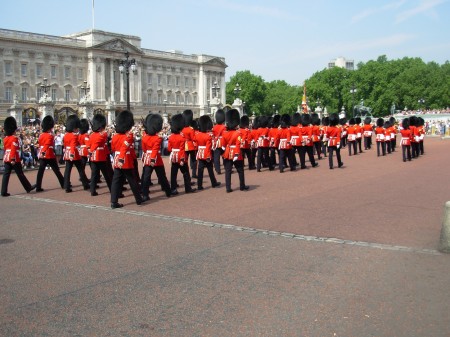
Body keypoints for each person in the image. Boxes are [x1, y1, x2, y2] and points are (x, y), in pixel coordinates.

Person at [110, 110, 144, 209]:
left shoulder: (115, 136)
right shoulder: (128, 136)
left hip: (117, 160)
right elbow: (124, 148)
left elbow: (113, 148)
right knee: (132, 181)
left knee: (116, 181)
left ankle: (113, 202)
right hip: (125, 160)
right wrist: (121, 159)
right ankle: (138, 199)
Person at [1, 116, 36, 196]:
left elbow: (5, 149)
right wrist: (13, 158)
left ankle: (3, 191)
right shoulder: (14, 138)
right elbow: (13, 149)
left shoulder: (5, 138)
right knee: (20, 174)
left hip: (7, 157)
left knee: (6, 175)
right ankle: (28, 187)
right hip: (14, 158)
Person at [141, 113, 172, 201]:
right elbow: (155, 150)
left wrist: (149, 157)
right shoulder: (157, 138)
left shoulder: (144, 138)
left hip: (147, 158)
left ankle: (145, 194)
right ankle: (168, 191)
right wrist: (152, 159)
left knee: (146, 177)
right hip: (155, 159)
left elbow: (144, 149)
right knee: (162, 177)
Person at [168, 113, 196, 195]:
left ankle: (173, 189)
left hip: (174, 157)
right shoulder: (181, 137)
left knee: (173, 174)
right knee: (186, 173)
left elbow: (169, 148)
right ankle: (188, 188)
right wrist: (182, 159)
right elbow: (182, 150)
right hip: (180, 157)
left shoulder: (171, 137)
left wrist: (173, 152)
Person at [222, 109, 249, 193]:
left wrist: (225, 149)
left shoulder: (224, 133)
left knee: (228, 171)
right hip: (235, 152)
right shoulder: (238, 133)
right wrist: (237, 154)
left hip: (227, 152)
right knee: (240, 170)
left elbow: (223, 144)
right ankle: (242, 186)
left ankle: (228, 188)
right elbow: (238, 144)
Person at [35, 115, 65, 192]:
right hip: (48, 154)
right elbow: (47, 144)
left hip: (42, 154)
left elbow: (41, 144)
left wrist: (42, 152)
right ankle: (63, 183)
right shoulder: (50, 136)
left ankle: (38, 186)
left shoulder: (41, 135)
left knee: (40, 171)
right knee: (56, 170)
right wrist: (44, 151)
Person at [62, 115, 90, 193]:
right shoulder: (74, 136)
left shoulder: (66, 135)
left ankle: (66, 186)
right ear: (74, 127)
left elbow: (65, 145)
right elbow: (73, 145)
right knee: (81, 170)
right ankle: (85, 184)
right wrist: (71, 154)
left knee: (67, 170)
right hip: (73, 154)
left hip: (67, 154)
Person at [89, 114, 113, 196]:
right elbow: (100, 142)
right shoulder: (103, 134)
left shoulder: (92, 135)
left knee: (94, 175)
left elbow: (90, 145)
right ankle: (112, 190)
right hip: (100, 157)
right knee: (107, 175)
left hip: (93, 157)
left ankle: (92, 191)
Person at [195, 115, 221, 190]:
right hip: (206, 155)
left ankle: (199, 185)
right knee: (210, 169)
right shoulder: (208, 136)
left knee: (200, 170)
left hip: (200, 153)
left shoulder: (197, 135)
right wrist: (207, 157)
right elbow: (208, 147)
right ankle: (213, 183)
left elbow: (196, 145)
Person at [182, 109, 198, 179]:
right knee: (194, 161)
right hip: (190, 146)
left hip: (183, 145)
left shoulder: (182, 128)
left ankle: (186, 176)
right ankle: (194, 174)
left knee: (185, 161)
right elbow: (194, 138)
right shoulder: (190, 129)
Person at [212, 109, 226, 175]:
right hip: (223, 142)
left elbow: (213, 135)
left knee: (216, 157)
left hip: (216, 142)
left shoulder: (214, 127)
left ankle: (217, 169)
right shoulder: (224, 127)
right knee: (225, 156)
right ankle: (227, 168)